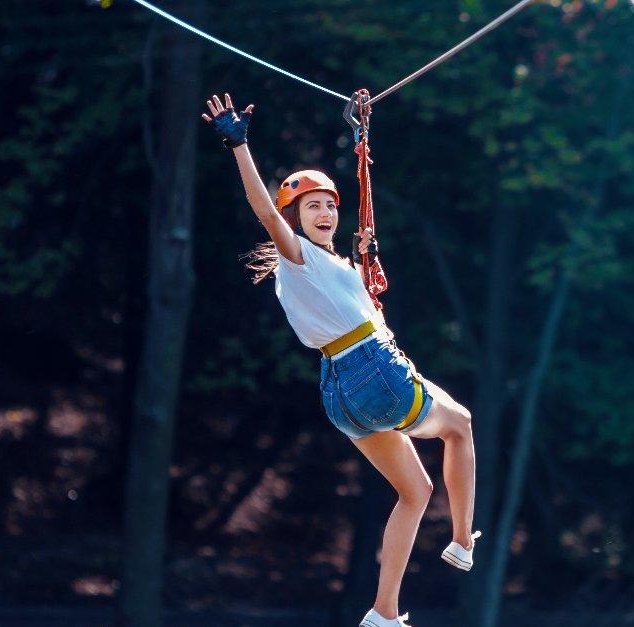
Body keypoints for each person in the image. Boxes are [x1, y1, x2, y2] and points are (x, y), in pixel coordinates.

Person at [202, 93, 480, 627]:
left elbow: (357, 294)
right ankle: (464, 541)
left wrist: (361, 141)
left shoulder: (331, 266)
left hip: (338, 394)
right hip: (371, 372)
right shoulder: (297, 256)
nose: (326, 212)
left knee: (416, 490)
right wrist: (238, 144)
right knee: (461, 425)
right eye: (313, 207)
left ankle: (383, 613)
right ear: (294, 220)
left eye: (330, 204)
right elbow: (264, 210)